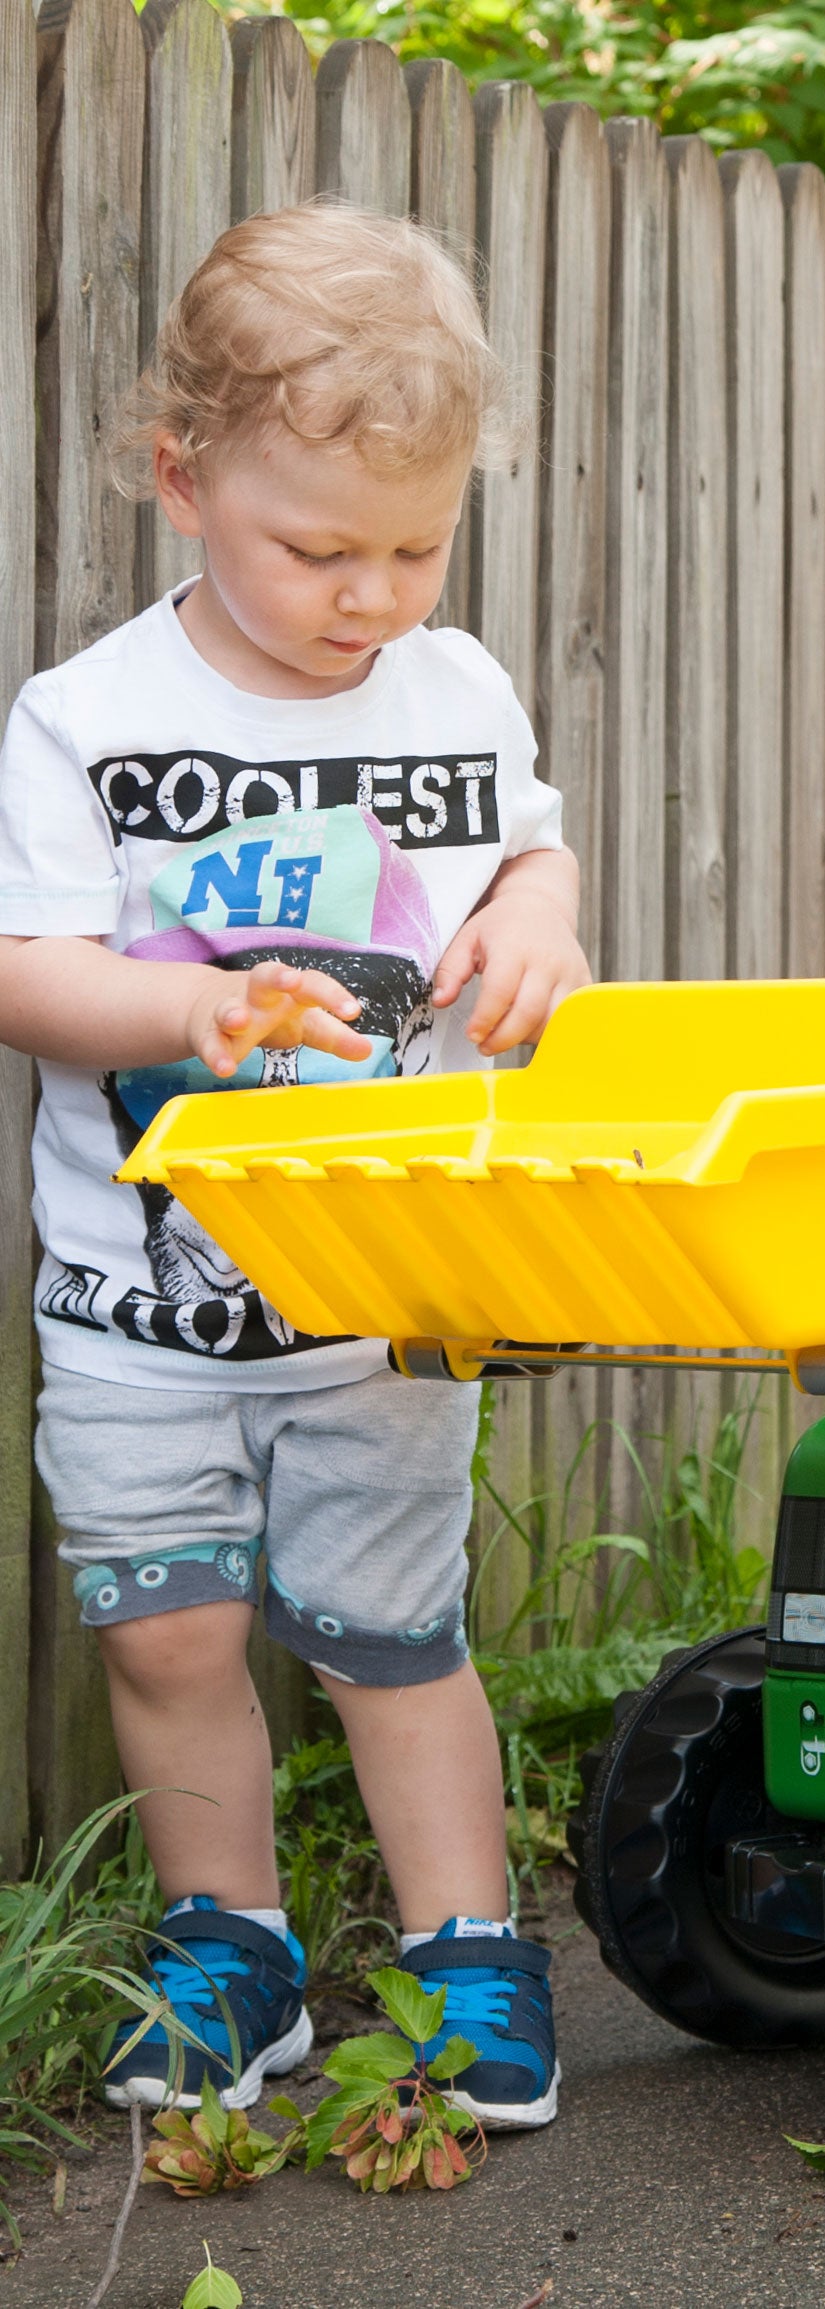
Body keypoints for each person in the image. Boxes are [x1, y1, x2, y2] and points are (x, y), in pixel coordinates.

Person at [0, 202, 590, 2128]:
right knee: (168, 1634)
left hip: (375, 1306)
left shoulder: (456, 692)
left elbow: (527, 852)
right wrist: (187, 1016)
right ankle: (226, 1944)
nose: (371, 595)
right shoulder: (90, 722)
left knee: (392, 1639)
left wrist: (544, 915)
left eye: (416, 546)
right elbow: (23, 967)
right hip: (134, 1301)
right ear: (184, 479)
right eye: (319, 547)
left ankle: (463, 1959)